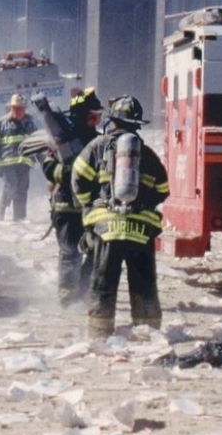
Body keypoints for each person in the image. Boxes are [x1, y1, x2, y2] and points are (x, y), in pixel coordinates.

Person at [72, 95, 170, 339]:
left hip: (107, 229)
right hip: (141, 230)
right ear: (137, 124)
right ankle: (148, 332)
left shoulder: (97, 147)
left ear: (112, 120)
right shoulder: (147, 154)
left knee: (103, 283)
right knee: (144, 283)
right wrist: (144, 203)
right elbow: (163, 189)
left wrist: (89, 207)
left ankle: (100, 333)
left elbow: (78, 178)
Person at [41, 88, 104, 306]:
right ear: (80, 116)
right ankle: (67, 296)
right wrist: (70, 172)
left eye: (98, 117)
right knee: (70, 252)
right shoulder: (60, 141)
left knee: (97, 251)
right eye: (92, 117)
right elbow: (48, 167)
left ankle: (83, 291)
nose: (96, 122)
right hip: (66, 206)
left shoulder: (99, 142)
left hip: (92, 208)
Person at [0, 93, 37, 221]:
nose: (18, 111)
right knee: (12, 185)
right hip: (6, 162)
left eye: (21, 108)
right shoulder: (1, 123)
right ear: (11, 108)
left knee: (22, 189)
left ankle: (19, 218)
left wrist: (45, 159)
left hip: (24, 162)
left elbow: (37, 141)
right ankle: (1, 213)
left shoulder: (29, 123)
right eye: (15, 108)